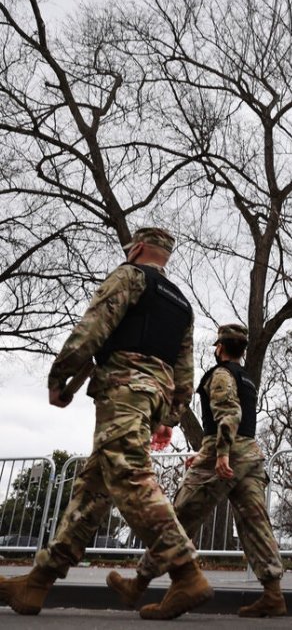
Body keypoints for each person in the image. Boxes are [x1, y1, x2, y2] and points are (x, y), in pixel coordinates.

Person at [0, 227, 213, 620]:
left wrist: (59, 376)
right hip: (151, 398)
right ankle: (38, 581)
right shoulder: (182, 304)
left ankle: (186, 572)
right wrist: (169, 417)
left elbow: (93, 328)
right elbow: (185, 371)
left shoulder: (128, 276)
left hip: (123, 390)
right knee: (93, 489)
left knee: (128, 473)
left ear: (140, 248)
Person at [106, 323, 286, 618]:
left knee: (176, 519)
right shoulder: (247, 380)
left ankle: (138, 584)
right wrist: (207, 452)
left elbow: (229, 414)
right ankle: (273, 594)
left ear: (220, 348)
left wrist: (220, 455)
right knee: (255, 524)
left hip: (225, 454)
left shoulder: (221, 374)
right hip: (251, 456)